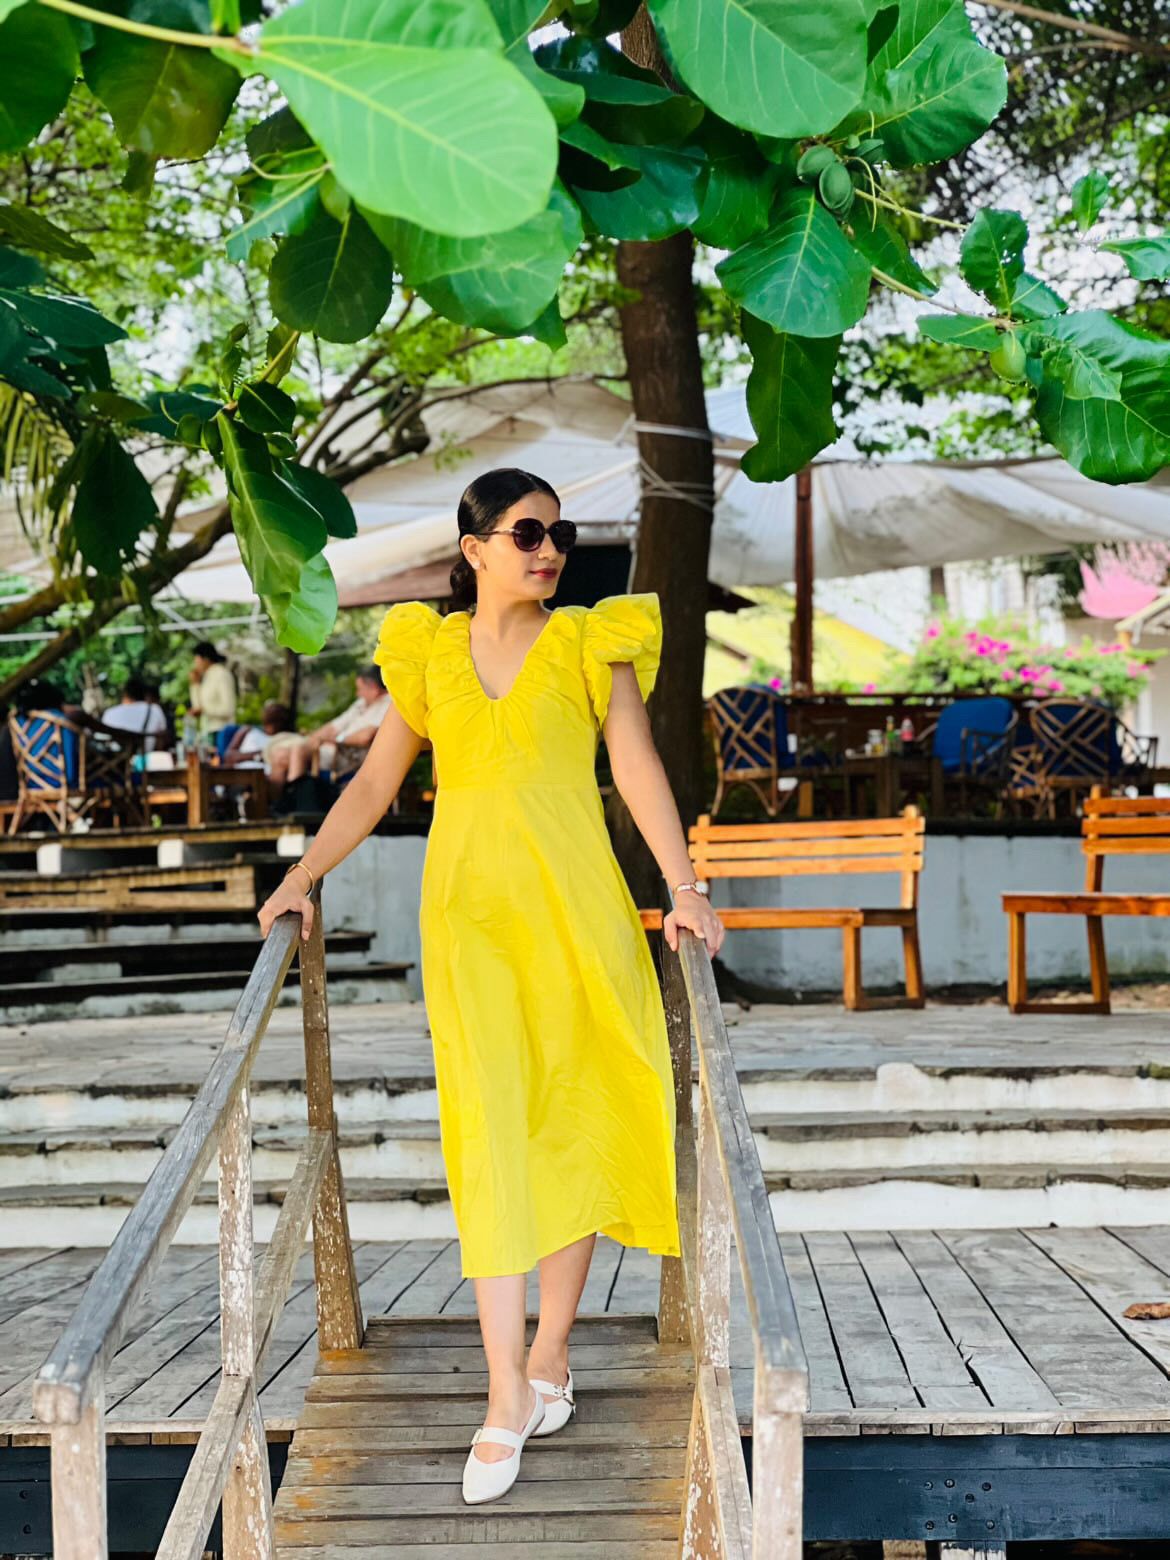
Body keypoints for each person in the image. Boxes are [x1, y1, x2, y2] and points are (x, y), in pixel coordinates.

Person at [257, 466, 724, 1507]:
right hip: (470, 926)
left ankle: (550, 1353)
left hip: (580, 915)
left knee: (581, 1113)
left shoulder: (591, 643)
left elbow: (637, 768)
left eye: (558, 534)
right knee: (492, 1133)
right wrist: (302, 876)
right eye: (526, 533)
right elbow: (374, 783)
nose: (548, 549)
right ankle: (503, 1385)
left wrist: (684, 887)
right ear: (473, 550)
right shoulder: (428, 654)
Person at [277, 666, 391, 785]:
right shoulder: (362, 703)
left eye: (360, 689)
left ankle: (294, 794)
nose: (357, 693)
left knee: (297, 751)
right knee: (280, 754)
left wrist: (336, 740)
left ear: (374, 688)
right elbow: (333, 726)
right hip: (331, 749)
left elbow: (365, 737)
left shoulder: (387, 705)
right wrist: (313, 738)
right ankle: (285, 795)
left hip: (347, 756)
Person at [100, 675, 168, 754]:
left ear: (125, 695)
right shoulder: (154, 709)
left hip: (115, 759)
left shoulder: (109, 713)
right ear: (144, 695)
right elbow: (161, 739)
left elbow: (102, 739)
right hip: (144, 757)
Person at [188, 640, 237, 735]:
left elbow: (228, 709)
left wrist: (204, 710)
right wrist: (195, 684)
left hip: (222, 731)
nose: (195, 663)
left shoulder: (221, 674)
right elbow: (197, 707)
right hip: (208, 731)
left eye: (197, 659)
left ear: (206, 659)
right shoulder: (207, 677)